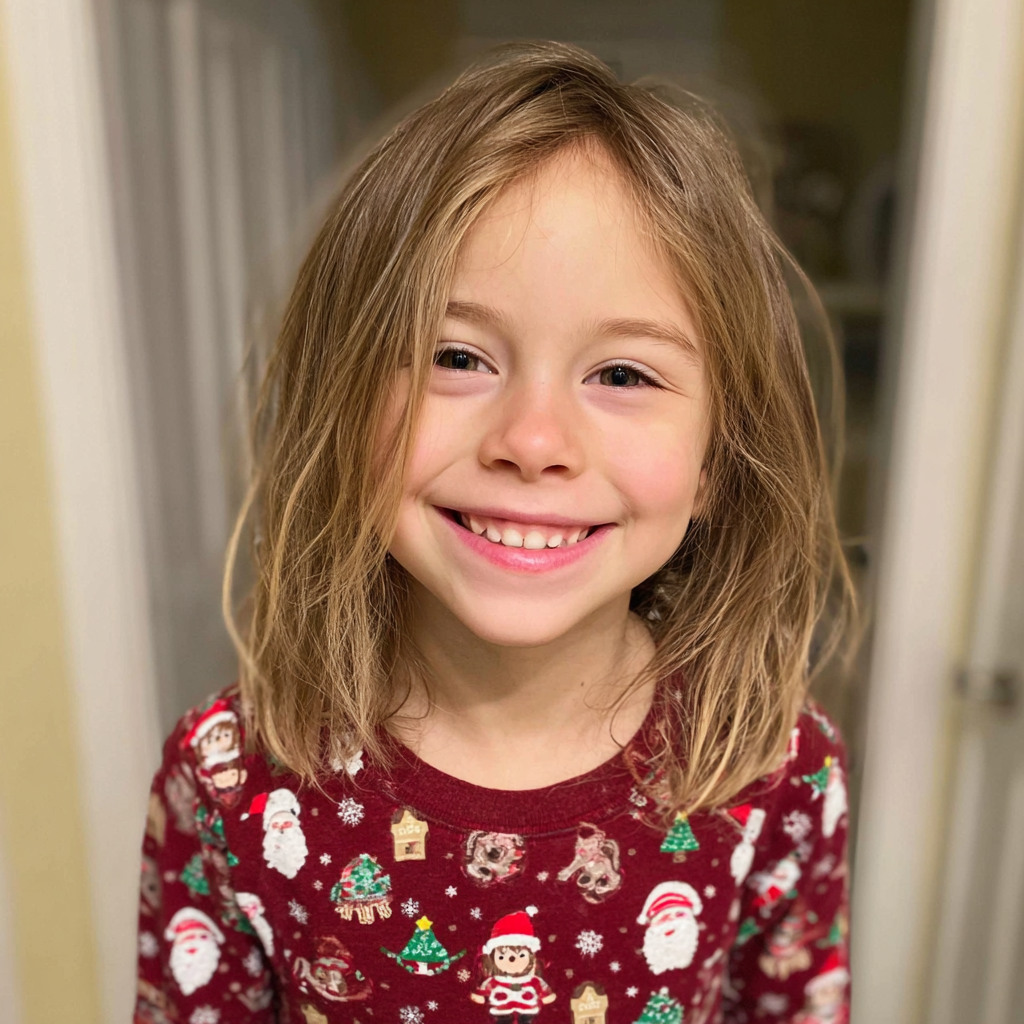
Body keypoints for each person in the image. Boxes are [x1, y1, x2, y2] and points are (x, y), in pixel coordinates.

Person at [134, 41, 855, 1024]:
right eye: (456, 356)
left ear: (717, 462)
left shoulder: (775, 767)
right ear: (340, 407)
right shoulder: (226, 781)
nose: (532, 441)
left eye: (623, 374)